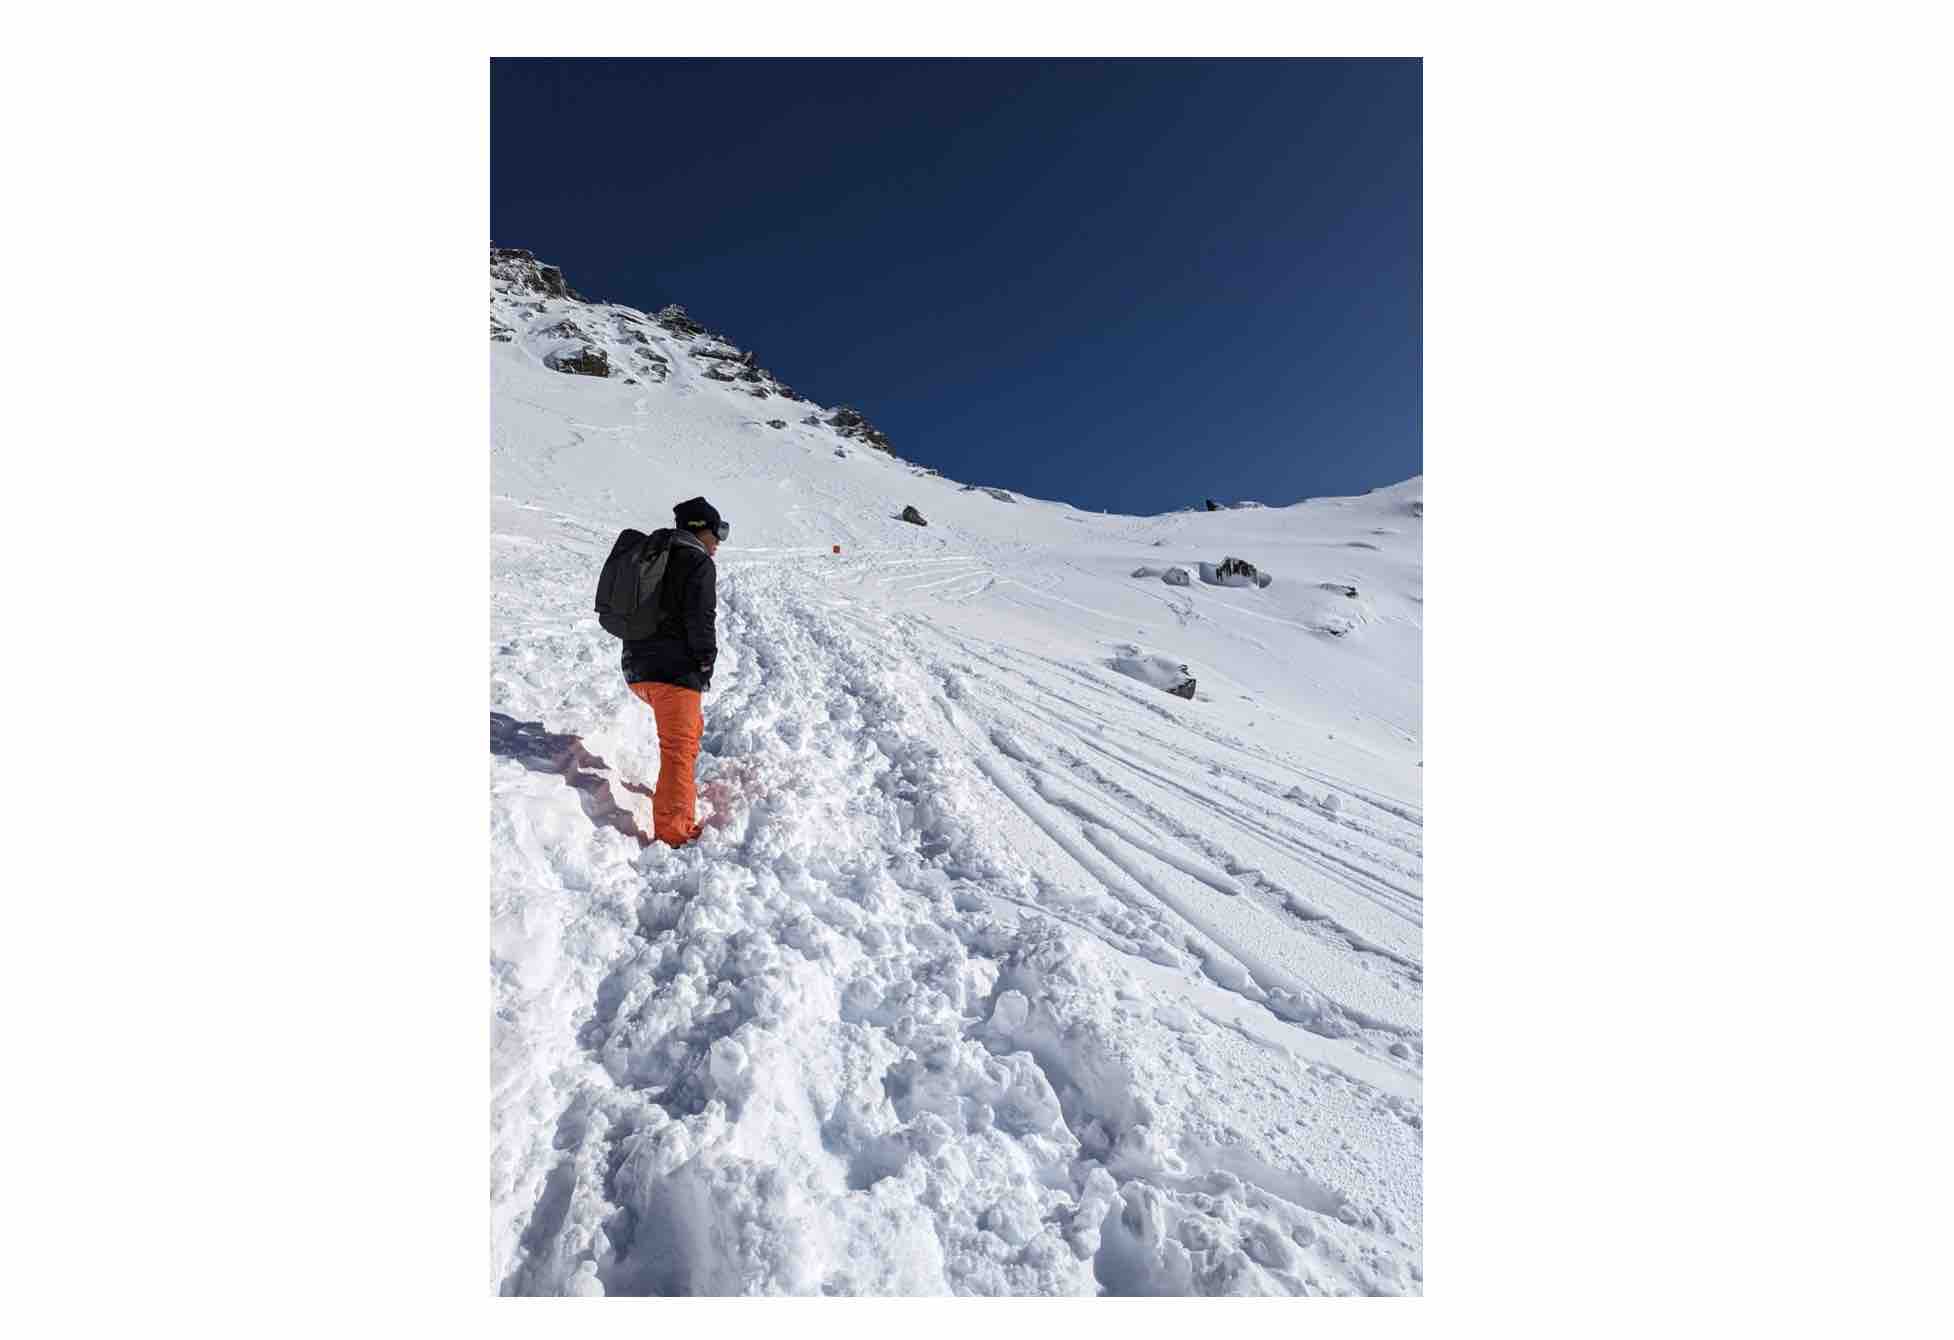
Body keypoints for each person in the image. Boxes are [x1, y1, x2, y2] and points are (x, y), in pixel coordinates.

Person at [623, 496, 726, 846]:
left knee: (687, 735)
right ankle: (674, 833)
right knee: (679, 749)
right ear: (704, 530)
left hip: (638, 670)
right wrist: (706, 659)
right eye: (719, 533)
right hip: (674, 673)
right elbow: (701, 617)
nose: (719, 543)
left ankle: (675, 808)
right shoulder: (697, 561)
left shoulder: (656, 555)